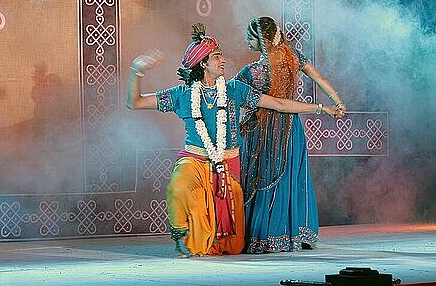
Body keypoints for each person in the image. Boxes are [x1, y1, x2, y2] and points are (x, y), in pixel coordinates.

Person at [126, 23, 343, 258]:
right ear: (203, 63)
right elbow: (135, 102)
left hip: (228, 166)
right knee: (179, 187)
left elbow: (279, 104)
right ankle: (180, 238)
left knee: (235, 245)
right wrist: (137, 70)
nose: (223, 60)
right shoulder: (182, 94)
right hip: (195, 159)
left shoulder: (234, 89)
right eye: (217, 57)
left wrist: (321, 108)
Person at [236, 16, 346, 253]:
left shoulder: (252, 72)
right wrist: (336, 101)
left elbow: (232, 96)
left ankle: (264, 237)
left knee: (263, 178)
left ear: (263, 40)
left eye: (250, 36)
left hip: (263, 132)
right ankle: (296, 233)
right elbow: (318, 77)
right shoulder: (293, 57)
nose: (246, 40)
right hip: (291, 128)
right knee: (292, 176)